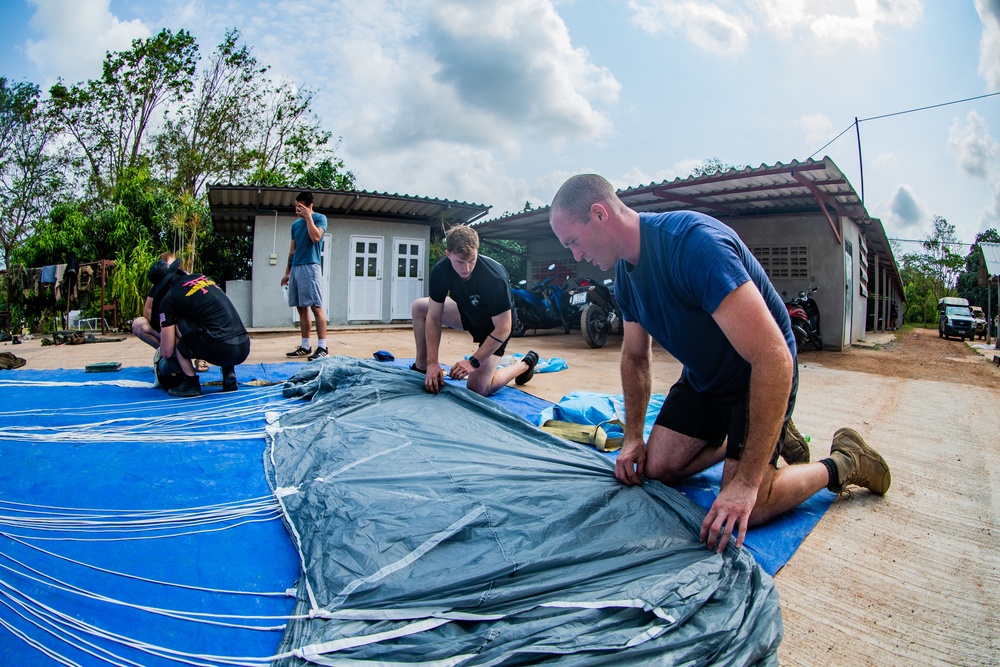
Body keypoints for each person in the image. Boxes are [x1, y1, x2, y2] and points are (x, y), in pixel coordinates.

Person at [549, 174, 890, 553]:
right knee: (655, 469)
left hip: (755, 376)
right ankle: (757, 436)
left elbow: (773, 357)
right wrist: (632, 438)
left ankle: (844, 461)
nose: (576, 256)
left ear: (599, 214)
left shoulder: (694, 244)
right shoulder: (625, 277)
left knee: (749, 505)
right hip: (704, 378)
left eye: (573, 242)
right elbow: (634, 356)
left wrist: (745, 484)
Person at [410, 225, 539, 397]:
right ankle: (422, 367)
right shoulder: (441, 271)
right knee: (420, 306)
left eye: (471, 260)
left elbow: (504, 328)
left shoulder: (494, 276)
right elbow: (433, 316)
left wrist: (473, 362)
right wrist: (432, 362)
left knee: (478, 389)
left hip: (495, 328)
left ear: (477, 251)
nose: (466, 268)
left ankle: (525, 365)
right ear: (448, 254)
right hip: (467, 312)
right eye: (460, 262)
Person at [144, 256, 250, 397]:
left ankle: (190, 382)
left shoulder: (169, 298)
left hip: (220, 348)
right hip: (243, 344)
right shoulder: (201, 278)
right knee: (214, 322)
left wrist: (163, 360)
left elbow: (168, 351)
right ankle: (228, 371)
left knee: (176, 327)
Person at [281, 191, 329, 360]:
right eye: (296, 206)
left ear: (309, 206)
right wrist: (287, 272)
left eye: (300, 206)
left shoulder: (320, 219)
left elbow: (316, 238)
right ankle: (305, 345)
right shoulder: (294, 226)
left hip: (311, 266)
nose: (297, 209)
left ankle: (322, 347)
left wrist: (309, 217)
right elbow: (292, 250)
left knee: (316, 306)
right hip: (296, 267)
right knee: (301, 308)